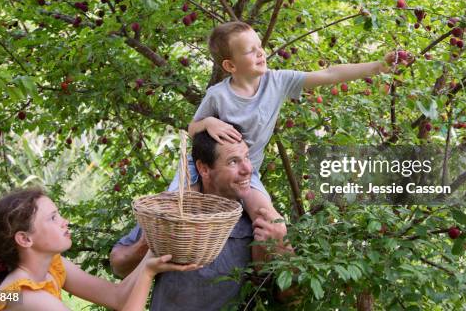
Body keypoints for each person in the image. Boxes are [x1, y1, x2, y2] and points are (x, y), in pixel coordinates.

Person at [168, 21, 411, 231]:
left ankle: (259, 280)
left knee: (272, 224)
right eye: (250, 51)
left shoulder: (277, 81)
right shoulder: (218, 95)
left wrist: (378, 66)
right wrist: (208, 122)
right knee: (172, 210)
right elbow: (192, 128)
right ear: (231, 66)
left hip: (246, 172)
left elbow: (328, 74)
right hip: (202, 167)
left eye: (260, 47)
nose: (261, 53)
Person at [111, 126, 291, 310]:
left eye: (246, 157)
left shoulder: (260, 222)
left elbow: (291, 300)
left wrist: (283, 247)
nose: (248, 169)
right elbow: (119, 267)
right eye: (233, 162)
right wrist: (147, 243)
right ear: (204, 169)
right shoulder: (173, 213)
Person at [0, 188, 199, 311]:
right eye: (53, 218)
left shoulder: (53, 267)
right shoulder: (30, 297)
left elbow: (117, 298)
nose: (65, 222)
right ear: (24, 239)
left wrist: (153, 247)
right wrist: (148, 272)